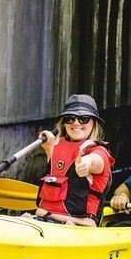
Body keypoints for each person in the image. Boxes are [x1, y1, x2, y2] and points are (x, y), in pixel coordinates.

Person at [35, 94, 115, 226]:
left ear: (94, 122)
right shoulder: (56, 145)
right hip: (44, 221)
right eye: (70, 118)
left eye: (84, 118)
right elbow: (56, 171)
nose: (76, 123)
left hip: (78, 227)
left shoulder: (99, 153)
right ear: (64, 123)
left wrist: (85, 164)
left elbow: (93, 161)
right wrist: (49, 147)